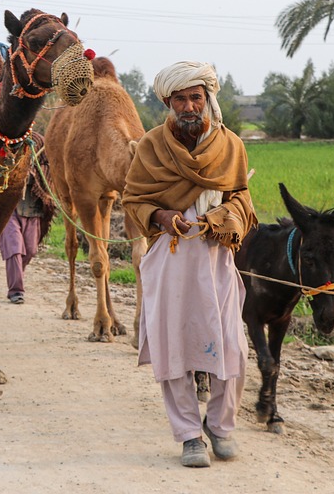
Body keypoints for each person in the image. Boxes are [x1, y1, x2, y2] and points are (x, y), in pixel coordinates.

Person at [122, 61, 257, 468]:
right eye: (180, 98)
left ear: (207, 99)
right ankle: (188, 436)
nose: (189, 105)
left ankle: (220, 426)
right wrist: (161, 217)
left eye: (195, 97)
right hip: (170, 256)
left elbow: (242, 198)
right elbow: (133, 201)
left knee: (231, 345)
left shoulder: (230, 145)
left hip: (216, 258)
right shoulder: (150, 146)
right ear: (168, 102)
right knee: (174, 347)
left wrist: (224, 218)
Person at [0, 134, 55, 304]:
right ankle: (16, 291)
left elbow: (48, 166)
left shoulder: (39, 142)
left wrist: (33, 173)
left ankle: (16, 276)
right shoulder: (5, 140)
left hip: (32, 207)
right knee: (14, 248)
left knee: (30, 250)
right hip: (8, 208)